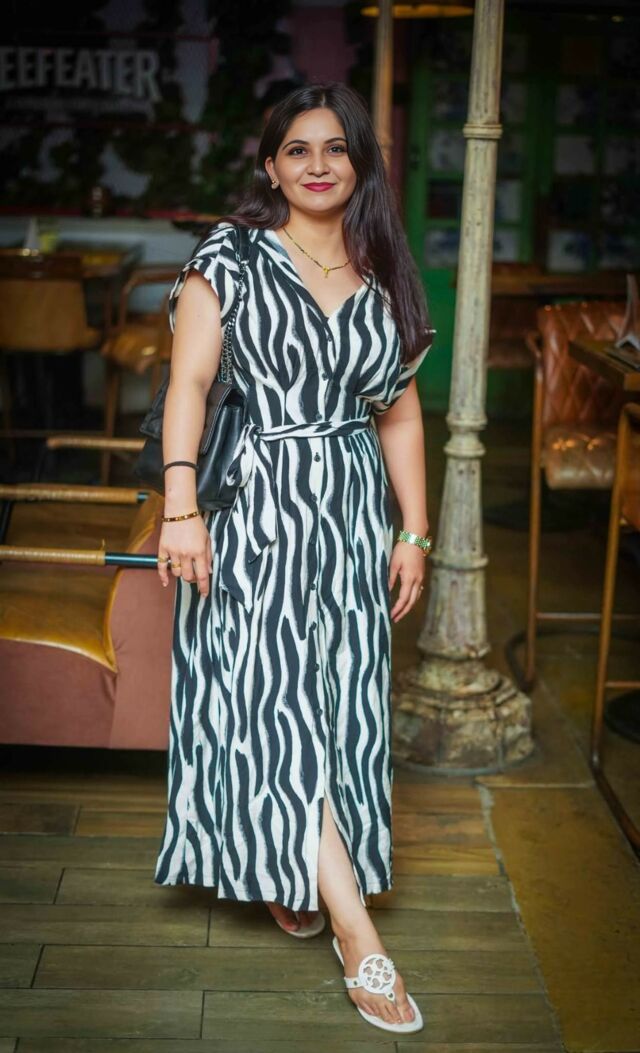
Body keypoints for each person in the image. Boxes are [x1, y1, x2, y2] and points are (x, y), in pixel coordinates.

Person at [154, 81, 434, 1034]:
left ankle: (295, 863)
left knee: (337, 705)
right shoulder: (228, 258)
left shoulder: (383, 267)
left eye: (336, 148)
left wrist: (413, 530)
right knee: (272, 707)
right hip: (254, 512)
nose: (319, 164)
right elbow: (189, 386)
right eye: (298, 149)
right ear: (270, 167)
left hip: (350, 517)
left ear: (359, 163)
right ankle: (360, 936)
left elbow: (399, 412)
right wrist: (181, 508)